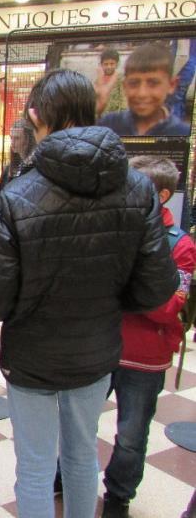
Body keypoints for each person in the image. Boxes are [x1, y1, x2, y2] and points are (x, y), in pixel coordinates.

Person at [0, 69, 179, 518]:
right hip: (98, 349)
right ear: (92, 111)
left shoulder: (19, 193)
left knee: (36, 467)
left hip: (32, 354)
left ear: (35, 116)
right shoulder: (139, 188)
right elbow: (156, 286)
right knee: (83, 458)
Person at [101, 156, 196, 518]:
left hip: (145, 357)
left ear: (163, 194)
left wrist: (126, 287)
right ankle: (65, 474)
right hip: (102, 345)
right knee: (78, 422)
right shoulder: (113, 232)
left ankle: (118, 495)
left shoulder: (180, 246)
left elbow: (167, 308)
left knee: (131, 435)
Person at [98, 43, 190, 136]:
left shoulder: (183, 133)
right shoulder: (110, 123)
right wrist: (99, 106)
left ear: (171, 85)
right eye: (134, 83)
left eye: (153, 83)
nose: (142, 93)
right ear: (125, 86)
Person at [0, 119, 37, 196]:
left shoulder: (34, 167)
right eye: (11, 138)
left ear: (27, 140)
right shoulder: (9, 168)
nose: (12, 142)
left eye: (17, 138)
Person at [94, 48, 125, 116]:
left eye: (112, 64)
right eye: (106, 64)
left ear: (116, 64)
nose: (109, 67)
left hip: (116, 117)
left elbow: (124, 102)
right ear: (101, 64)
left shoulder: (121, 80)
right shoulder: (98, 81)